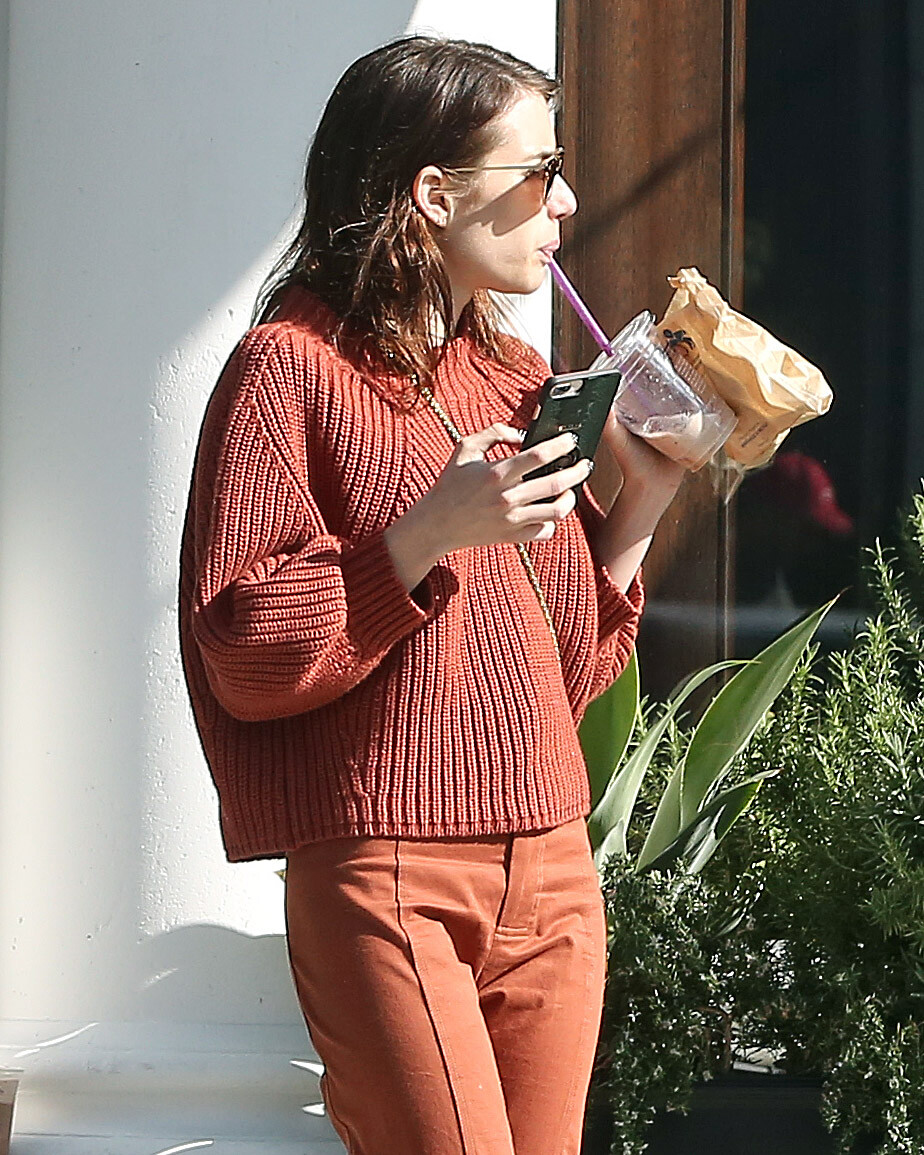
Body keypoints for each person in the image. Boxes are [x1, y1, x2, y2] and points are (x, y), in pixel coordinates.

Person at [179, 35, 684, 1155]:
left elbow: (570, 671)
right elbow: (242, 650)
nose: (566, 201)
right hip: (389, 868)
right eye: (540, 172)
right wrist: (424, 535)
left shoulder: (515, 376)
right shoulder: (288, 369)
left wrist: (643, 504)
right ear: (434, 193)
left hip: (554, 865)